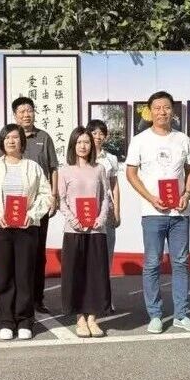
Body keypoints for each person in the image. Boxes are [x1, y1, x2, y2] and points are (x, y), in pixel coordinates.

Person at [125, 91, 190, 334]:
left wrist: (187, 194)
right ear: (150, 112)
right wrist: (150, 198)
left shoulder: (182, 139)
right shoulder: (140, 140)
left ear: (173, 111)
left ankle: (181, 315)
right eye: (157, 108)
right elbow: (131, 173)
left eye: (166, 107)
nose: (162, 112)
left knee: (181, 262)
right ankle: (155, 315)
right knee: (152, 263)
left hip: (180, 212)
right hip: (153, 212)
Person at [0, 124, 52, 340]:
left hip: (26, 229)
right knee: (4, 275)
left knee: (25, 275)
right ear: (2, 141)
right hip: (1, 228)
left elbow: (46, 194)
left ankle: (25, 320)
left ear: (22, 141)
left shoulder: (33, 167)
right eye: (7, 137)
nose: (11, 141)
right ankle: (7, 321)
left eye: (15, 137)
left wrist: (33, 214)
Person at [0, 97, 58, 314]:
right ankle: (14, 299)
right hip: (9, 209)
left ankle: (37, 299)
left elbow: (53, 168)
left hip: (36, 208)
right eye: (21, 111)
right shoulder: (7, 136)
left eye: (29, 110)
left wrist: (54, 196)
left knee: (37, 253)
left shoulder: (44, 137)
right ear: (15, 115)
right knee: (12, 255)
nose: (26, 114)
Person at [56, 127, 112, 338]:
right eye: (79, 142)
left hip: (96, 230)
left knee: (96, 274)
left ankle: (93, 318)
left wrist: (101, 218)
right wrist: (74, 220)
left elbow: (105, 197)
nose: (83, 146)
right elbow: (61, 200)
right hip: (74, 230)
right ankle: (80, 318)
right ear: (73, 145)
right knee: (76, 274)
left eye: (86, 142)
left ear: (92, 145)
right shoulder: (65, 170)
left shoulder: (99, 169)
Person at [86, 119, 122, 313]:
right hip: (86, 210)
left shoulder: (111, 159)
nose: (98, 137)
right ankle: (87, 299)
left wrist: (117, 210)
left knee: (106, 255)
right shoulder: (82, 154)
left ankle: (106, 299)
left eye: (101, 133)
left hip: (106, 210)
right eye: (94, 133)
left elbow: (114, 186)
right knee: (88, 256)